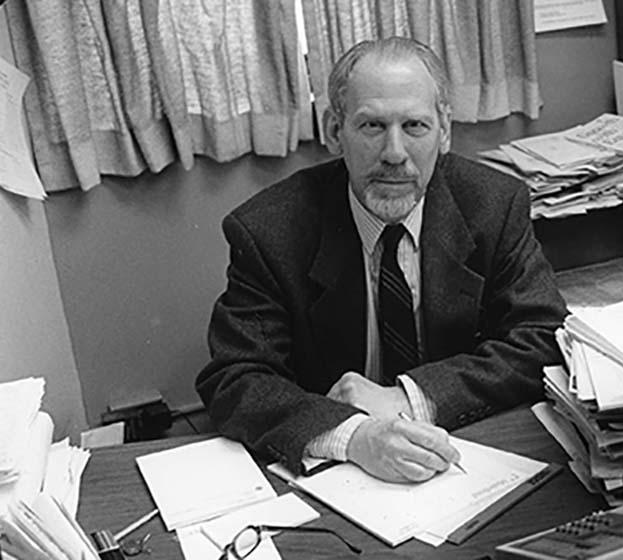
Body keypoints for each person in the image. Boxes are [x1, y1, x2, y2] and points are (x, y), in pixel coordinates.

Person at [196, 37, 566, 483]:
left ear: (444, 131)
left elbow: (542, 336)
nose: (394, 154)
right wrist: (354, 436)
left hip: (462, 459)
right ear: (335, 131)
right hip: (339, 475)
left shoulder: (493, 205)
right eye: (372, 126)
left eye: (415, 126)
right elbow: (236, 379)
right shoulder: (270, 231)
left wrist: (413, 397)